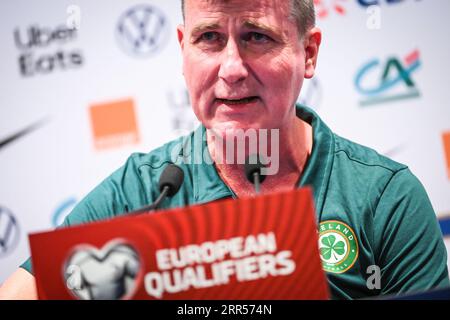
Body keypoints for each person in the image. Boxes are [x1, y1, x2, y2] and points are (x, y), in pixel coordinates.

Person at [0, 0, 448, 300]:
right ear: (182, 49)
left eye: (257, 36)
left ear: (308, 53)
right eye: (209, 38)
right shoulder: (143, 188)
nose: (231, 69)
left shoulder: (385, 196)